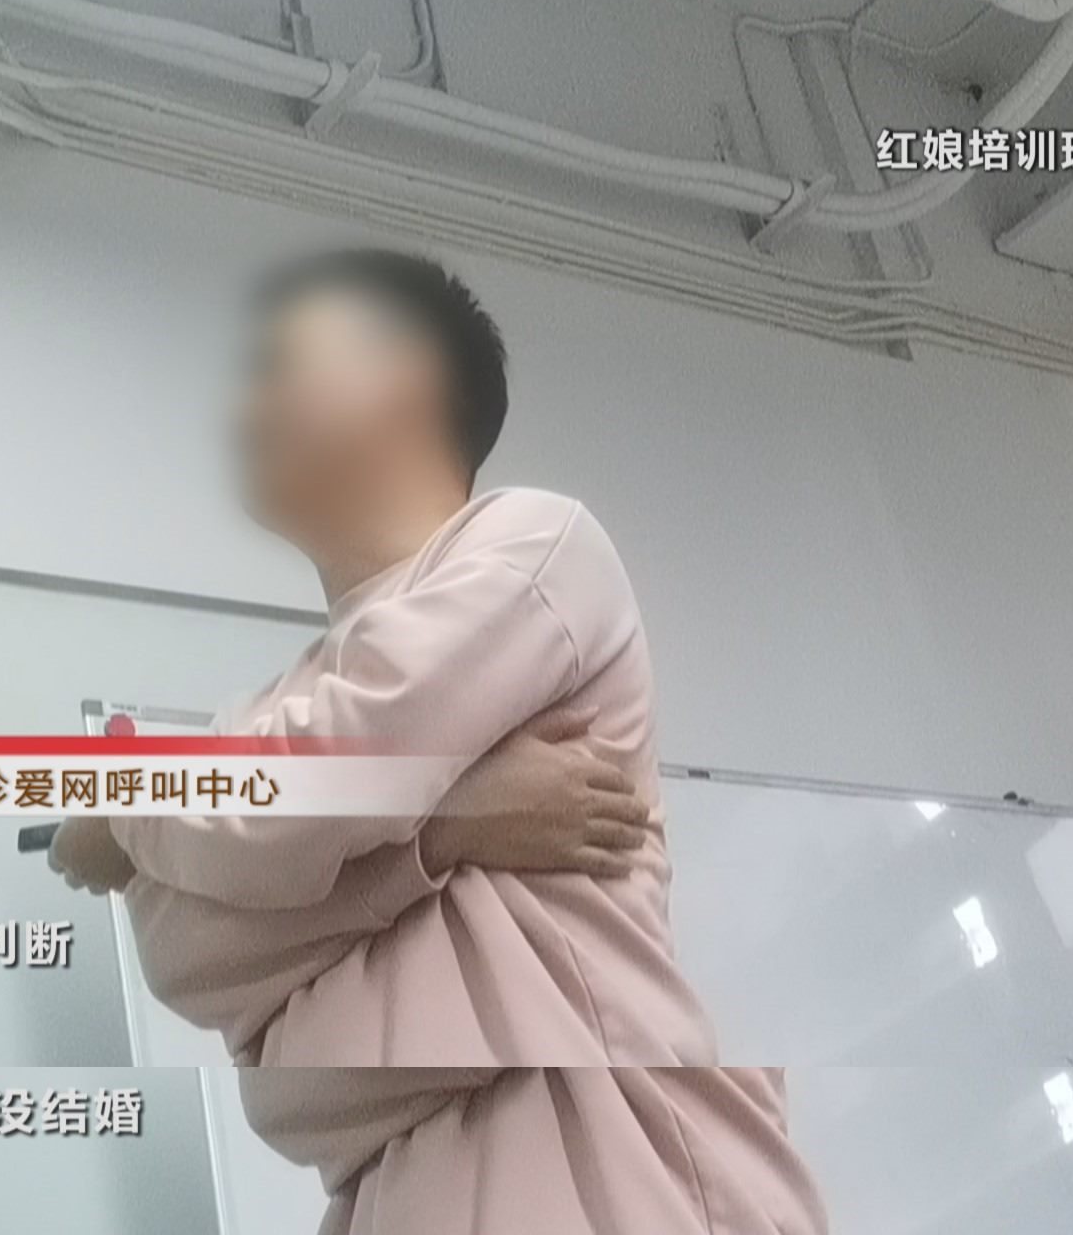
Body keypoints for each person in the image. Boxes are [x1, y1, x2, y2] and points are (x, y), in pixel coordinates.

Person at [50, 249, 826, 1233]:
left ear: (407, 377)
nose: (243, 404)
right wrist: (449, 827)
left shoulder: (533, 546)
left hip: (607, 1160)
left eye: (281, 364)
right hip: (386, 1193)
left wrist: (130, 804)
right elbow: (188, 954)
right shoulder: (262, 715)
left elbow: (321, 784)